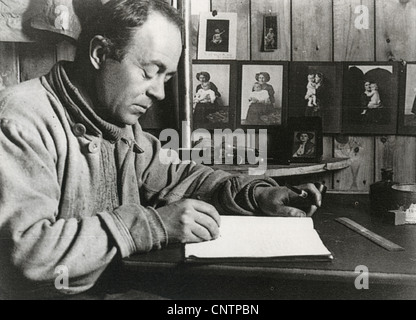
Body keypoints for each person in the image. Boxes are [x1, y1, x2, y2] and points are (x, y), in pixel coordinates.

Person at [0, 0, 321, 300]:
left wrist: (256, 195)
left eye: (167, 77)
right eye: (150, 72)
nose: (159, 92)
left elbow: (181, 177)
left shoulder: (117, 122)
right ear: (99, 53)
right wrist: (153, 225)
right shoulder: (21, 119)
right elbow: (27, 256)